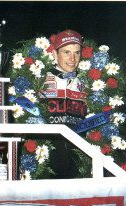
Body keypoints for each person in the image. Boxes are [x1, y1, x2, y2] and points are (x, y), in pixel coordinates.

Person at [40, 29, 87, 178]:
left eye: (77, 53)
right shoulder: (41, 80)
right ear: (55, 54)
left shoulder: (87, 83)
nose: (73, 58)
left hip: (79, 157)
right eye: (67, 52)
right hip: (50, 159)